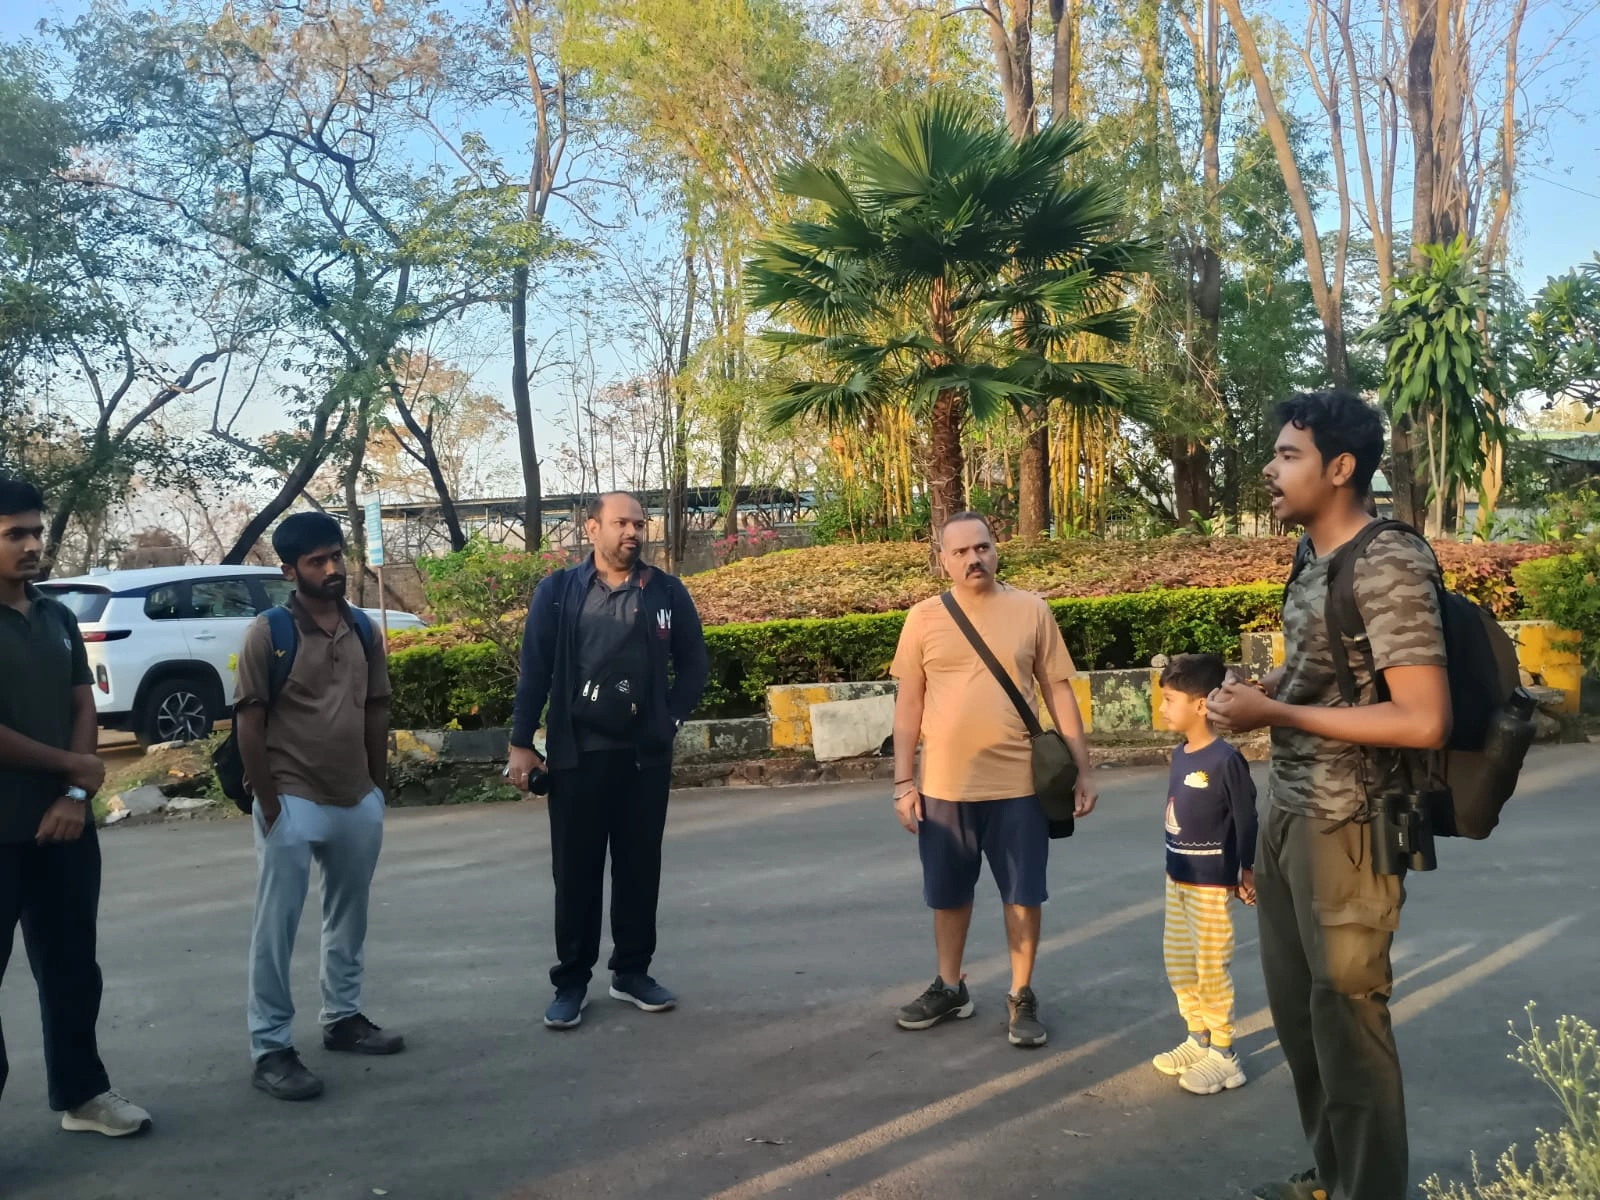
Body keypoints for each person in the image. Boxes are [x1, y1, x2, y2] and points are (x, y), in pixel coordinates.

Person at [1208, 391, 1451, 1200]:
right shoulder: (1312, 556)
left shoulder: (1387, 561)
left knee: (1349, 1024)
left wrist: (1275, 713)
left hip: (1350, 824)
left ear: (1340, 467)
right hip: (1288, 809)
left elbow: (1423, 718)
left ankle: (1367, 1188)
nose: (1269, 470)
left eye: (1288, 456)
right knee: (1302, 1021)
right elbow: (1332, 672)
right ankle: (1334, 1175)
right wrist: (1270, 690)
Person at [888, 512, 1098, 1048]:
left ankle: (1021, 994)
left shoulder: (1032, 610)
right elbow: (908, 706)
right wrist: (903, 783)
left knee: (1023, 894)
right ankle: (950, 986)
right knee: (948, 894)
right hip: (943, 788)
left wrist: (1084, 769)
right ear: (943, 560)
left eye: (981, 547)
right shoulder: (923, 619)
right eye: (960, 552)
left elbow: (1059, 693)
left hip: (1020, 787)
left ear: (996, 549)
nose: (973, 559)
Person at [508, 493, 708, 1030]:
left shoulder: (665, 591)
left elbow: (694, 666)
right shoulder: (558, 593)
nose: (633, 532)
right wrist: (522, 741)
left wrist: (668, 720)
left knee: (639, 870)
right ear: (591, 528)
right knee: (575, 875)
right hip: (577, 758)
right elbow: (535, 670)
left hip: (644, 759)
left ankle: (632, 972)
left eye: (639, 523)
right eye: (621, 522)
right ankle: (571, 982)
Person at [0, 478, 151, 1138]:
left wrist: (73, 796)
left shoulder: (57, 617)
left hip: (62, 829)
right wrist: (73, 768)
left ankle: (83, 1095)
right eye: (15, 534)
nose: (33, 544)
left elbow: (81, 703)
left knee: (71, 970)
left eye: (36, 531)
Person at [236, 512, 402, 1102]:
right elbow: (249, 722)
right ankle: (271, 1049)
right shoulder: (268, 633)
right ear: (290, 571)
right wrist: (270, 803)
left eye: (336, 556)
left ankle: (343, 1018)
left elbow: (376, 708)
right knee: (275, 929)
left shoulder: (362, 629)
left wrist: (376, 788)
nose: (332, 568)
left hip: (355, 796)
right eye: (317, 561)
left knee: (349, 917)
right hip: (291, 797)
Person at [1151, 653, 1258, 1097]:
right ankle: (1198, 1039)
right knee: (1179, 962)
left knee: (1211, 966)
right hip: (1177, 877)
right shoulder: (1180, 754)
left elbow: (1247, 817)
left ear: (1200, 705)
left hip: (1211, 884)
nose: (1162, 708)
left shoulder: (1225, 759)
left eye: (1169, 699)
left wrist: (1247, 869)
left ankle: (1225, 1054)